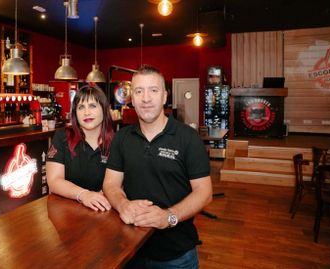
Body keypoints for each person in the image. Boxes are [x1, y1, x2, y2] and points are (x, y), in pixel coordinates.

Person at [103, 65, 213, 269]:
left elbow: (204, 193)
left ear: (164, 96)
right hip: (129, 251)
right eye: (139, 91)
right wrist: (122, 205)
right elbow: (110, 184)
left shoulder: (188, 138)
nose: (146, 98)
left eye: (153, 90)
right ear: (132, 99)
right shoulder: (121, 139)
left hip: (176, 255)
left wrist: (168, 216)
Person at [47, 85, 113, 212]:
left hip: (103, 210)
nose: (86, 112)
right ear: (75, 113)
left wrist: (108, 194)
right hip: (66, 211)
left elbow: (120, 182)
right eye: (81, 107)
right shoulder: (63, 136)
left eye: (93, 106)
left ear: (104, 110)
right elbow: (54, 180)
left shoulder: (116, 142)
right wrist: (84, 195)